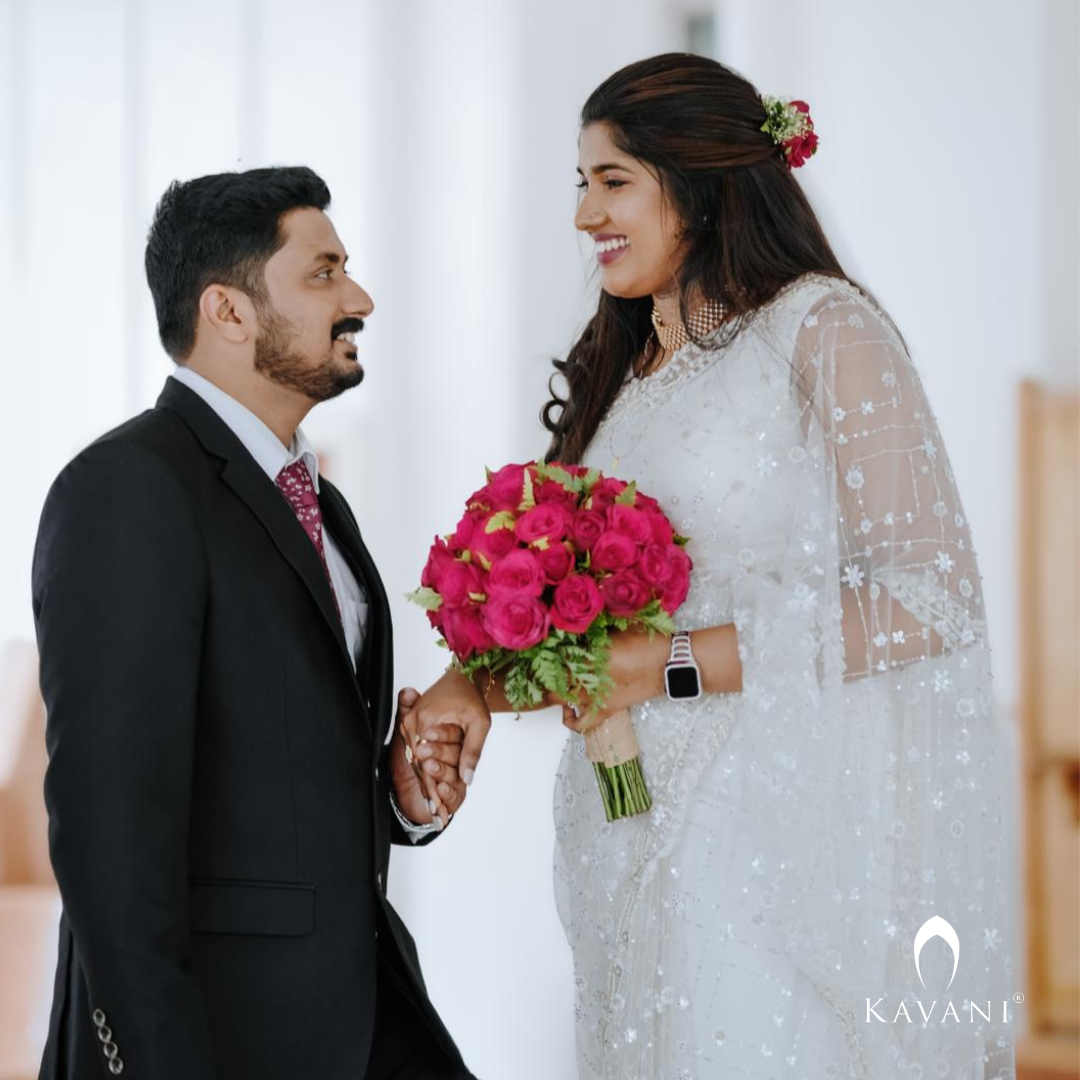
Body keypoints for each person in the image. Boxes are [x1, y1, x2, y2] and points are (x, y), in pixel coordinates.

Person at [410, 54, 1015, 1078]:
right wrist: (470, 681)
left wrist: (672, 663)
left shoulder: (821, 331)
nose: (583, 214)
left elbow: (931, 598)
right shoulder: (627, 368)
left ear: (695, 181)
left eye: (613, 181)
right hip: (624, 843)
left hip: (766, 851)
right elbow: (592, 634)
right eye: (579, 182)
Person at [32, 166, 487, 1080]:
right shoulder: (127, 489)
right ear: (228, 312)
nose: (358, 297)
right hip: (216, 1038)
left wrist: (392, 793)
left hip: (358, 1012)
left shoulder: (320, 503)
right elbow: (107, 834)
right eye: (323, 273)